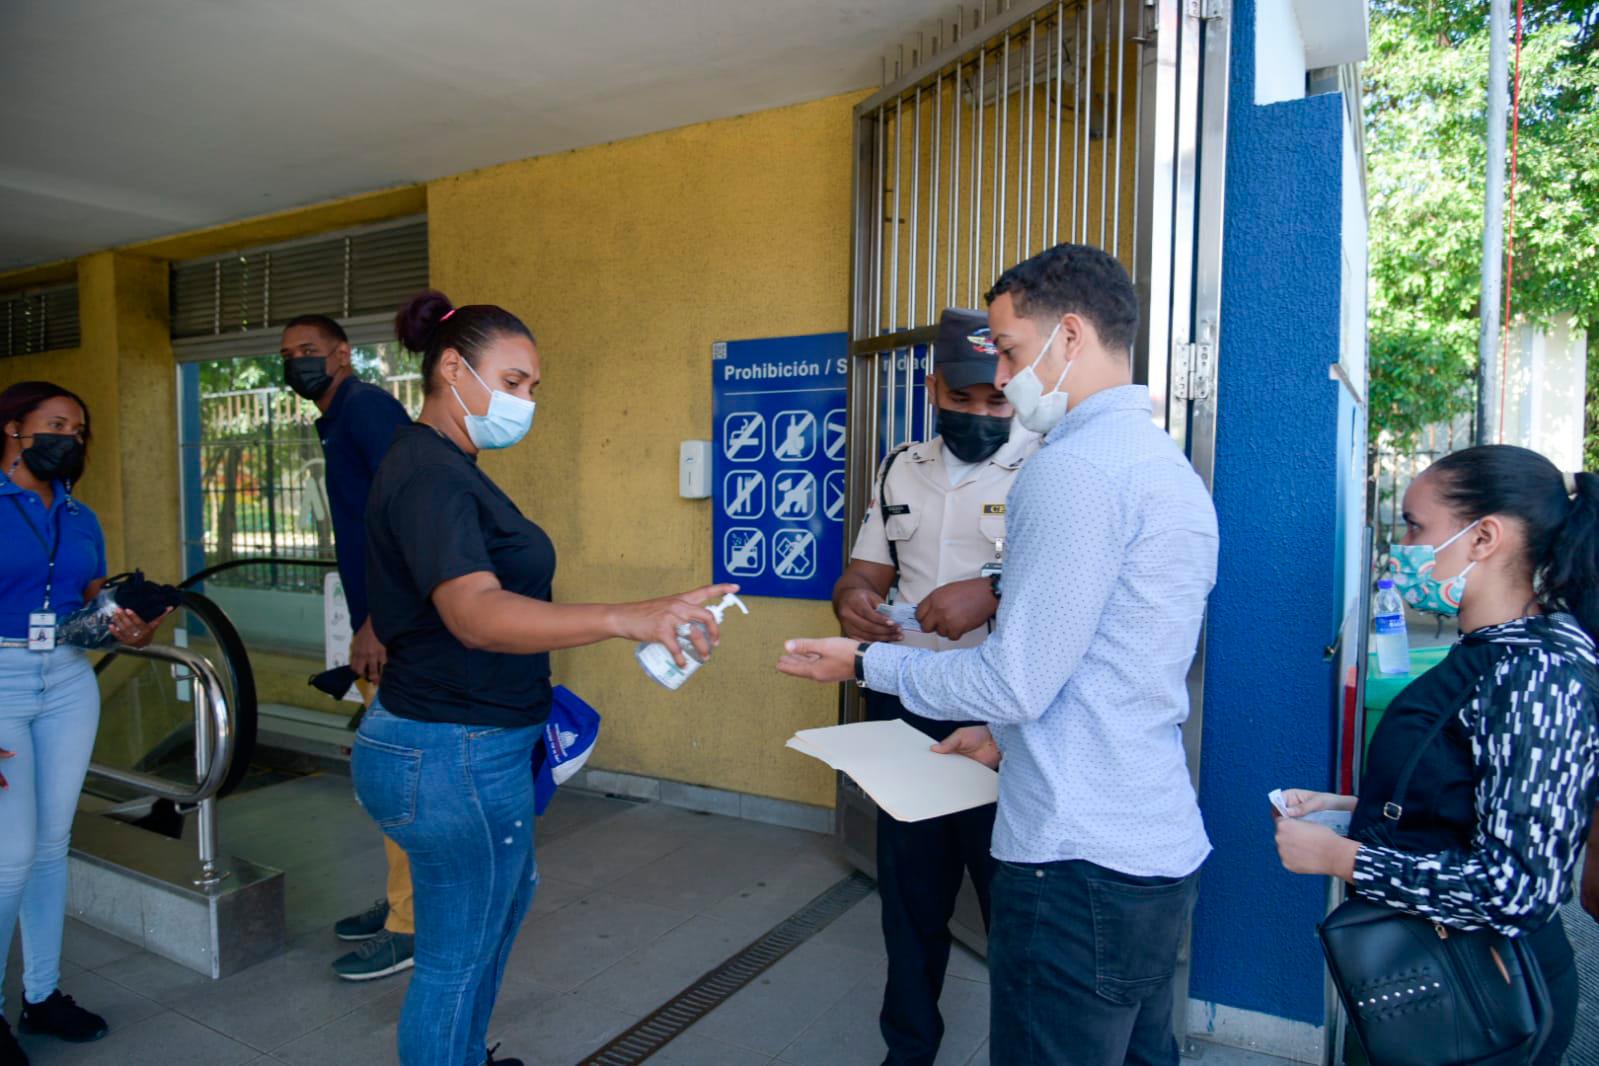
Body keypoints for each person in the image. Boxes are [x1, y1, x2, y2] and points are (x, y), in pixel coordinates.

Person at [780, 243, 1218, 1066]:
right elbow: (1101, 664)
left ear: (1071, 336)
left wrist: (861, 664)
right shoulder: (1158, 463)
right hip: (1142, 833)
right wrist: (994, 733)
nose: (1006, 380)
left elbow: (1016, 679)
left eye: (1011, 353)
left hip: (1072, 849)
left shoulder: (1070, 469)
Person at [353, 290, 737, 1066]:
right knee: (455, 960)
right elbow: (474, 614)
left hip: (467, 743)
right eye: (513, 382)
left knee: (491, 920)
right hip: (449, 750)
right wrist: (627, 617)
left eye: (532, 386)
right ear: (452, 369)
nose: (526, 401)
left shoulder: (449, 466)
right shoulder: (430, 475)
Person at [1274, 445, 1599, 1066]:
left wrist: (1343, 858)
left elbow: (1516, 888)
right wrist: (1350, 809)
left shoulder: (1533, 672)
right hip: (1445, 982)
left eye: (1415, 527)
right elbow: (1474, 795)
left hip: (1487, 1002)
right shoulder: (1500, 652)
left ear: (1484, 538)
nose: (1402, 548)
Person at [832, 307, 1037, 1066]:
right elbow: (866, 569)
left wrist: (992, 590)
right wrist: (852, 599)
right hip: (908, 706)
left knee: (1011, 903)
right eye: (961, 398)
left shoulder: (1047, 467)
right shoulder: (900, 466)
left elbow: (1069, 588)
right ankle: (909, 1050)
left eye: (995, 400)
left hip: (1001, 716)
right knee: (910, 901)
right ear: (932, 389)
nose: (979, 414)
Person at [0, 382, 163, 1066]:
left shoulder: (81, 516)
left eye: (78, 429)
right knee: (10, 856)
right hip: (2, 680)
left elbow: (88, 597)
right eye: (56, 424)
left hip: (67, 679)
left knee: (49, 847)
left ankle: (42, 996)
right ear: (13, 429)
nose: (69, 438)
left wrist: (130, 623)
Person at [279, 313, 419, 982]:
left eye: (309, 350)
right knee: (388, 781)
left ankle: (413, 924)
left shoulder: (365, 409)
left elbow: (407, 515)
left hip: (394, 630)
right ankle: (403, 901)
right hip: (377, 623)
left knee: (401, 781)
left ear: (342, 353)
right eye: (288, 354)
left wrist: (379, 624)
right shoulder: (337, 419)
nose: (297, 362)